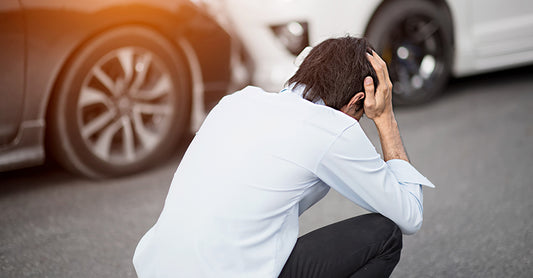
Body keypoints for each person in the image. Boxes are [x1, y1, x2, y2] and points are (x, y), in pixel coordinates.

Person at [133, 36, 434, 278]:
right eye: (362, 114)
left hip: (154, 268)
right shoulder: (331, 129)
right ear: (357, 100)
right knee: (385, 235)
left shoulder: (236, 102)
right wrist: (384, 118)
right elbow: (409, 215)